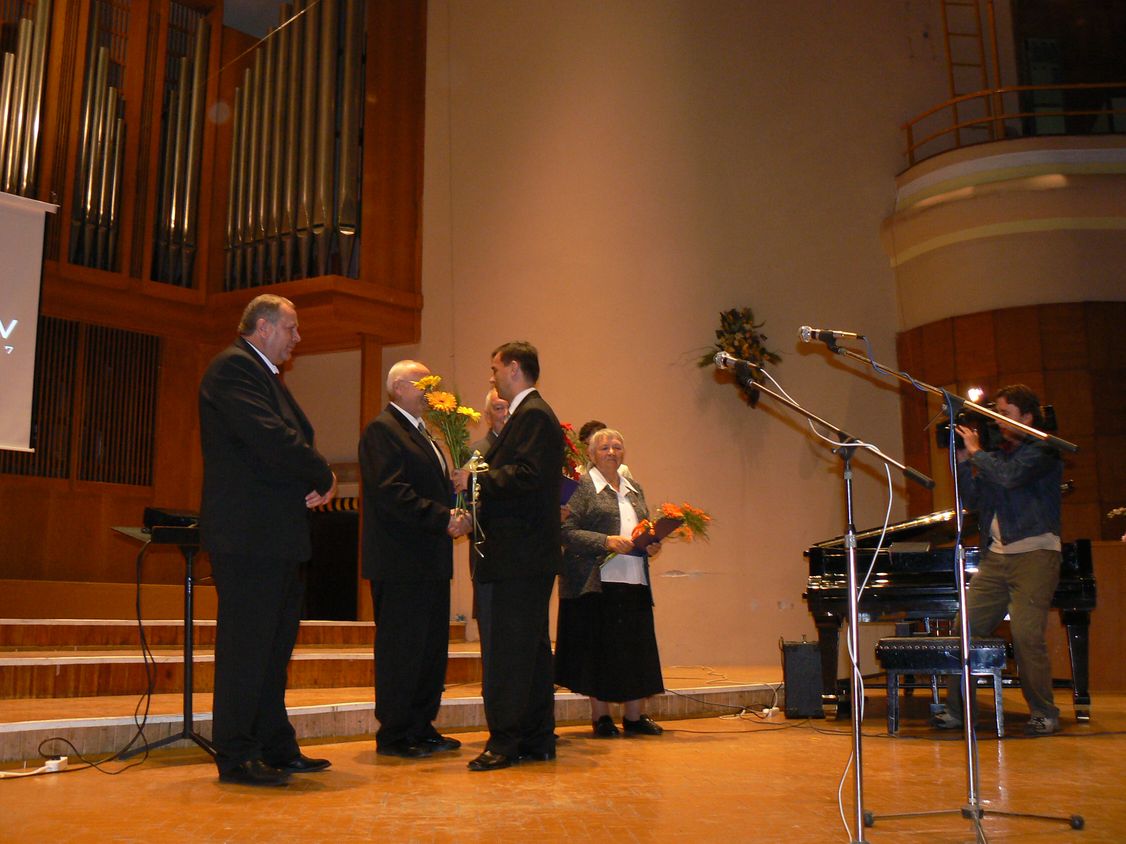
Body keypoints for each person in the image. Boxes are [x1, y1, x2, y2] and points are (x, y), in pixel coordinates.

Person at [198, 294, 338, 786]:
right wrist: (322, 472)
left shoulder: (262, 373)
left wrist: (313, 476)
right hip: (249, 537)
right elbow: (271, 437)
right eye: (291, 328)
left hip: (273, 536)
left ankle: (275, 745)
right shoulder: (233, 368)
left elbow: (284, 438)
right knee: (247, 649)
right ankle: (237, 754)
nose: (297, 337)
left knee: (273, 650)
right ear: (263, 327)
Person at [453, 341, 563, 771]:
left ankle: (504, 742)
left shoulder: (532, 414)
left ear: (514, 368)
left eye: (495, 368)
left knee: (508, 654)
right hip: (524, 557)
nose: (492, 376)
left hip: (517, 557)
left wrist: (474, 479)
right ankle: (537, 737)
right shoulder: (530, 415)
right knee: (530, 653)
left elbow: (528, 476)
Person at [932, 384, 1064, 736]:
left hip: (1035, 553)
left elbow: (1010, 477)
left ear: (1027, 417)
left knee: (1025, 634)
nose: (999, 421)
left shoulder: (1044, 450)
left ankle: (1044, 712)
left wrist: (977, 452)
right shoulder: (997, 456)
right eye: (998, 414)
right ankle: (958, 710)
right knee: (964, 629)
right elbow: (974, 500)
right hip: (996, 557)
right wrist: (964, 462)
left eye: (1006, 414)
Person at [359, 360, 470, 759]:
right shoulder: (383, 430)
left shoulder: (426, 434)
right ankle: (395, 733)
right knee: (402, 649)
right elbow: (391, 492)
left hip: (429, 560)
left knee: (429, 649)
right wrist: (443, 517)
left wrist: (458, 510)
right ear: (399, 387)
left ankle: (422, 725)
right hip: (400, 561)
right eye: (424, 382)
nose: (430, 390)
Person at [556, 428, 665, 737]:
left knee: (635, 648)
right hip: (596, 581)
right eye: (604, 448)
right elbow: (566, 532)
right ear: (591, 454)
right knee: (599, 651)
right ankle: (601, 717)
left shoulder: (634, 488)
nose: (612, 452)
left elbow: (643, 527)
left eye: (617, 447)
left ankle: (634, 717)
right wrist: (606, 541)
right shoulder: (581, 486)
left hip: (634, 579)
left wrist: (652, 544)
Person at [469, 388, 509, 458]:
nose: (506, 413)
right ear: (488, 416)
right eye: (499, 408)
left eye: (511, 407)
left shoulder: (526, 448)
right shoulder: (476, 454)